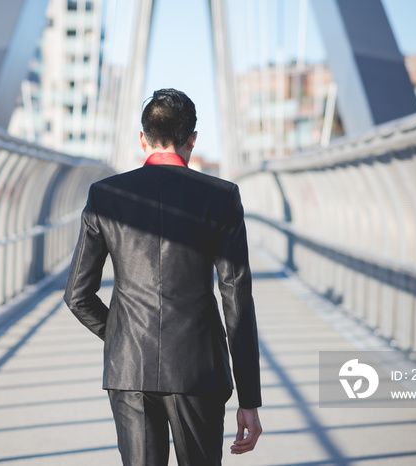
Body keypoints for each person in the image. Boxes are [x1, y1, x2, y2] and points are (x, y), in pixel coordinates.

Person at [64, 88, 262, 465]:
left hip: (129, 370)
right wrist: (249, 399)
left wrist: (122, 334)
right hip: (198, 370)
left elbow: (77, 295)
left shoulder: (104, 195)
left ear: (143, 139)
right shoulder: (221, 197)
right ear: (193, 140)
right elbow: (236, 297)